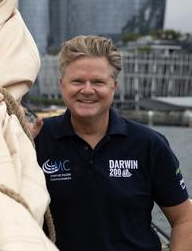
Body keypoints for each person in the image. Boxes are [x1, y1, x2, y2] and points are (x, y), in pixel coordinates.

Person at [33, 35, 192, 251]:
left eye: (98, 82)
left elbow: (185, 219)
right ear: (62, 85)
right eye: (77, 81)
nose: (87, 90)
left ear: (114, 86)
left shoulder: (148, 144)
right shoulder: (36, 140)